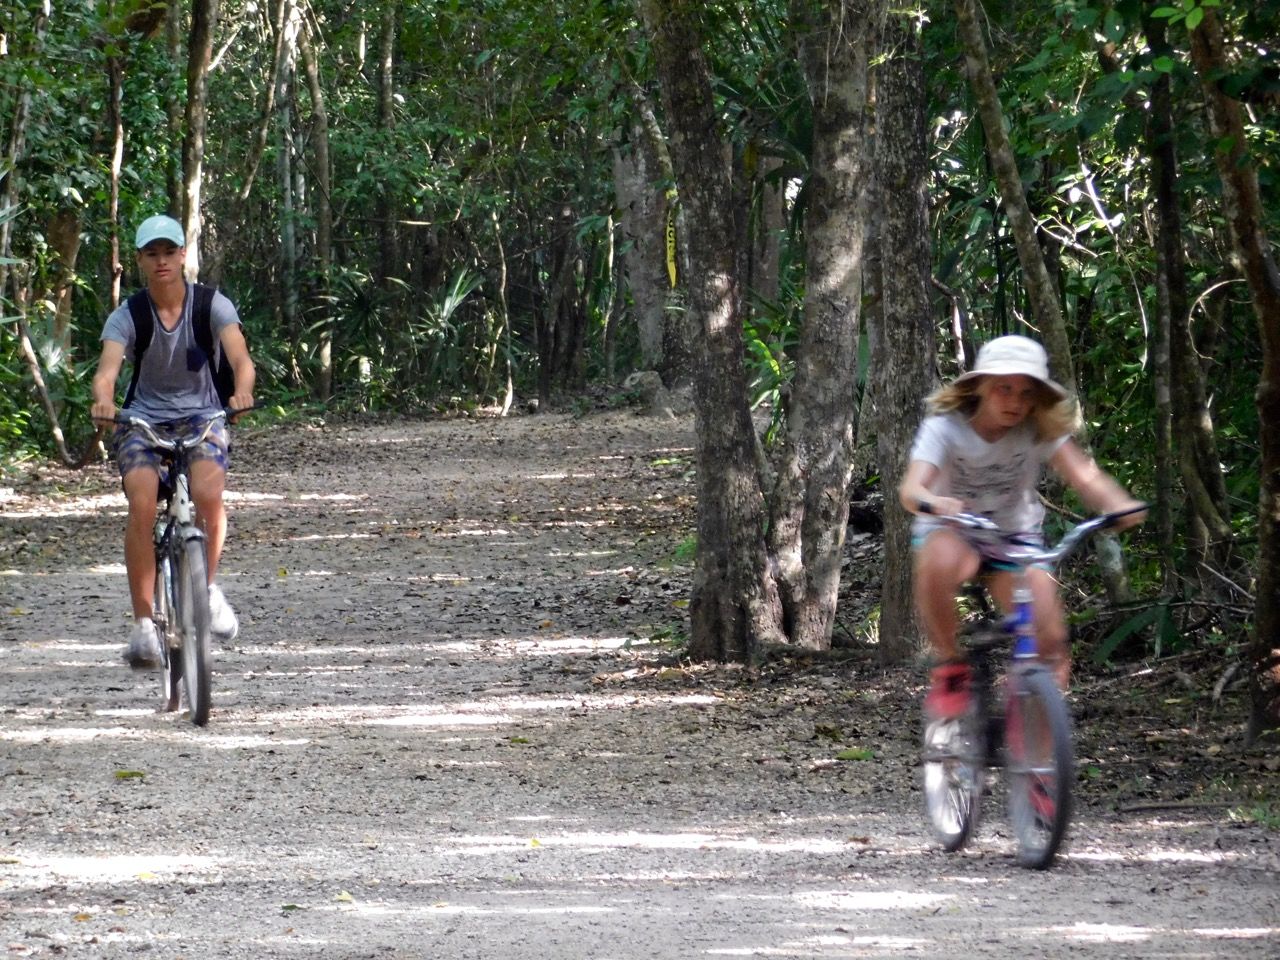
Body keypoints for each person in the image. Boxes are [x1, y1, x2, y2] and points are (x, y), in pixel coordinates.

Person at [897, 334, 1144, 719]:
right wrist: (934, 502)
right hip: (956, 528)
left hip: (1014, 538)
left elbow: (1085, 477)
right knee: (938, 560)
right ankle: (951, 664)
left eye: (1026, 393)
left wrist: (1119, 505)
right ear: (981, 386)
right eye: (1004, 389)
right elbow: (911, 490)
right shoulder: (946, 428)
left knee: (1050, 643)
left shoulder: (1037, 431)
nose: (1015, 402)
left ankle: (1036, 762)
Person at [90, 214, 255, 668]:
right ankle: (144, 625)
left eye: (169, 252)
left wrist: (242, 392)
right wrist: (104, 403)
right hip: (142, 421)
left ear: (183, 255)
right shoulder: (129, 315)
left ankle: (207, 589)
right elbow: (107, 372)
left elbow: (241, 358)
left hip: (203, 417)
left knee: (209, 493)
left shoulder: (211, 305)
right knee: (142, 501)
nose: (161, 261)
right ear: (140, 260)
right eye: (151, 253)